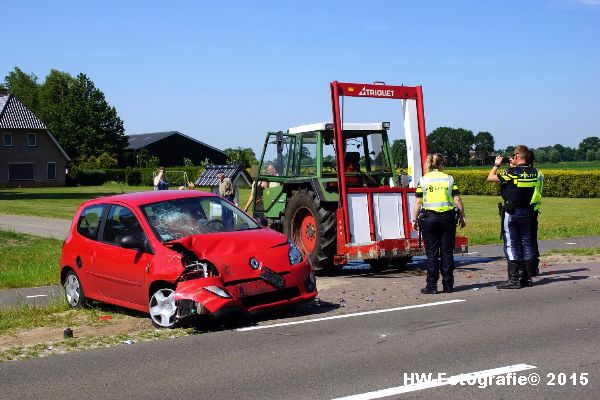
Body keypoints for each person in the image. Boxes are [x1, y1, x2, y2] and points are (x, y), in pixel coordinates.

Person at [412, 153, 467, 294]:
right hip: (447, 219)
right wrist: (462, 216)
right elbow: (457, 199)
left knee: (432, 254)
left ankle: (431, 286)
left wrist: (414, 219)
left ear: (428, 164)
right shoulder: (449, 179)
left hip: (429, 220)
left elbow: (418, 202)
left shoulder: (423, 180)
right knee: (447, 253)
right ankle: (448, 285)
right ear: (442, 164)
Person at [487, 145, 539, 289]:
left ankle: (514, 279)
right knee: (526, 244)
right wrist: (513, 166)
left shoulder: (511, 172)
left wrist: (497, 164)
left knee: (511, 244)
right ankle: (527, 278)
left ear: (516, 156)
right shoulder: (534, 172)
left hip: (512, 213)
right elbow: (518, 182)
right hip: (526, 212)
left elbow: (490, 178)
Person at [529, 150, 544, 278]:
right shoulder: (539, 173)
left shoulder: (530, 174)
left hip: (527, 207)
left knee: (524, 240)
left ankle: (528, 267)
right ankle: (534, 267)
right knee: (533, 239)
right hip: (535, 208)